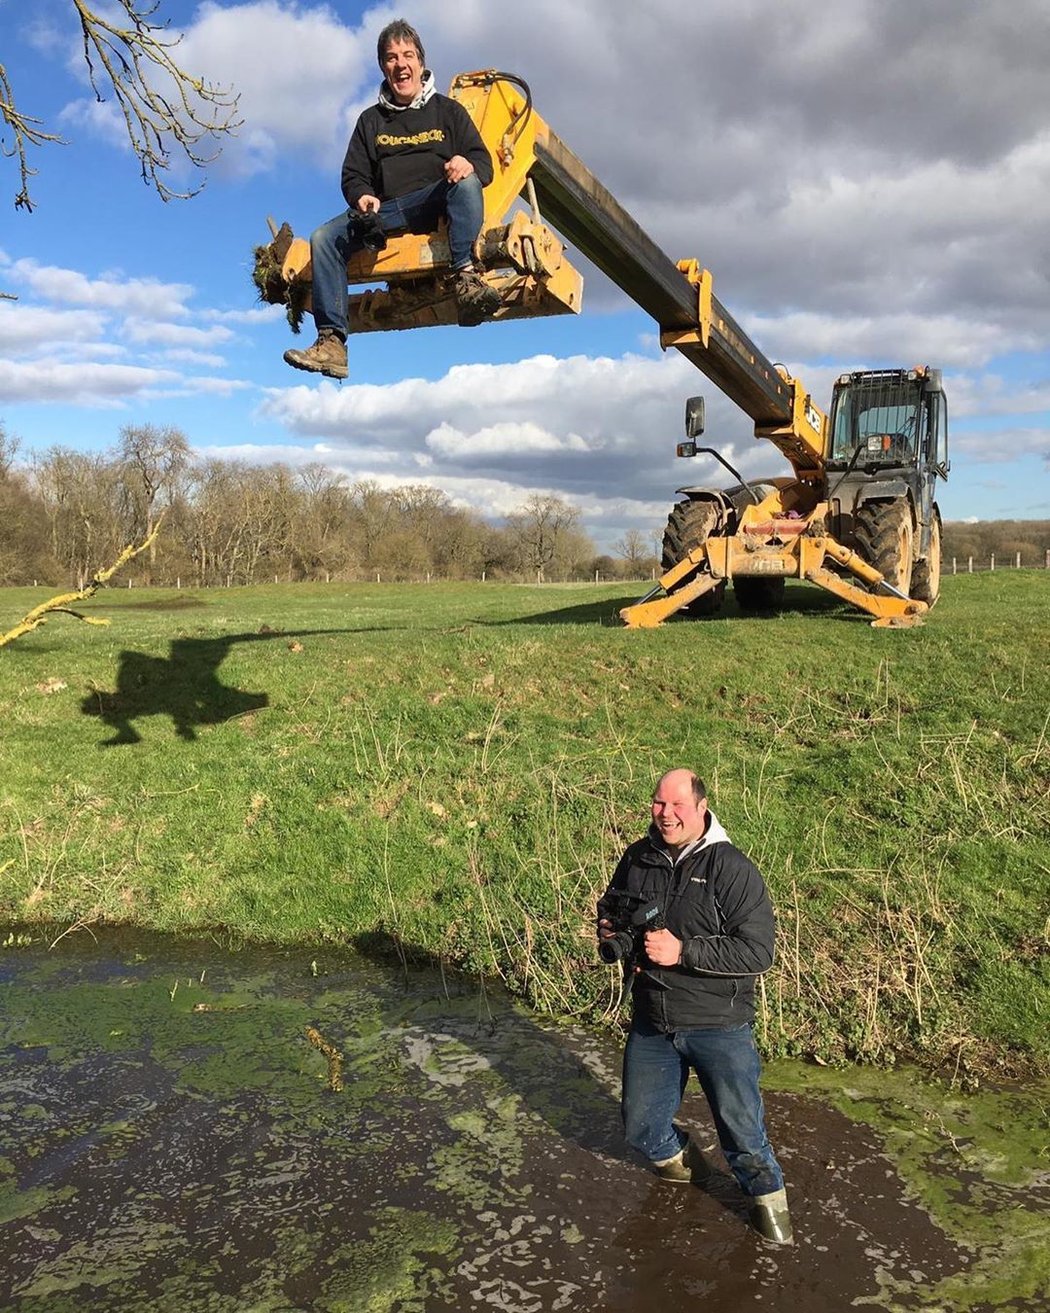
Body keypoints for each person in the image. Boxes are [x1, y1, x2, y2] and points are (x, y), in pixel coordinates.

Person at [597, 768, 793, 1245]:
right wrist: (608, 925)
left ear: (701, 807)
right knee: (642, 1128)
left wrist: (683, 951)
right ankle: (694, 1173)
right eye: (658, 804)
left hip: (717, 1025)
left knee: (744, 1139)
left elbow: (759, 952)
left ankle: (775, 1227)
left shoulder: (732, 869)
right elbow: (613, 902)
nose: (666, 815)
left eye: (677, 806)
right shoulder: (638, 857)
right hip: (652, 1021)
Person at [283, 18, 501, 381]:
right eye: (391, 58)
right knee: (324, 238)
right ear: (383, 67)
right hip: (386, 211)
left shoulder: (449, 112)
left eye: (408, 55)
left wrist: (466, 162)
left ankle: (466, 279)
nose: (401, 64)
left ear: (420, 61)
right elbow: (353, 174)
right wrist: (363, 195)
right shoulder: (370, 122)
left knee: (467, 184)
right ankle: (332, 342)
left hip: (436, 200)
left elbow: (484, 163)